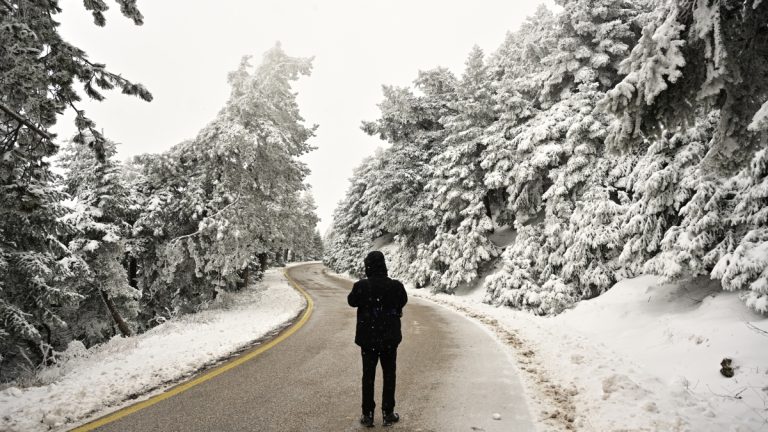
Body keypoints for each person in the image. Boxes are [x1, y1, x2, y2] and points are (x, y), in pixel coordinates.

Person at [347, 251, 408, 428]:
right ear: (383, 265)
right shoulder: (396, 286)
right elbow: (402, 301)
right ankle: (388, 413)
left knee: (368, 376)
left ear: (368, 266)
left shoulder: (361, 286)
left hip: (368, 340)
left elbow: (351, 301)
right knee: (389, 375)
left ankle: (368, 414)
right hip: (389, 339)